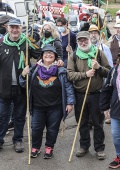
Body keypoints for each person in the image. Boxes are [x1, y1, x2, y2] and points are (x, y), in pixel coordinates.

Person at [19, 44, 76, 159]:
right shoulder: (34, 69)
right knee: (36, 128)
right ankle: (35, 147)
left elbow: (68, 88)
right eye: (46, 53)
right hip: (37, 106)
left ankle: (49, 147)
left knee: (52, 129)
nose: (48, 54)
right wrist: (23, 75)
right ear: (42, 56)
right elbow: (24, 84)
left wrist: (70, 103)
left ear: (55, 56)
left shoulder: (61, 70)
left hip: (55, 107)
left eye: (51, 53)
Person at [67, 31, 110, 160]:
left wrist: (99, 67)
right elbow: (69, 74)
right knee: (82, 122)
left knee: (98, 123)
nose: (83, 42)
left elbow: (109, 72)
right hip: (80, 94)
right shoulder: (73, 56)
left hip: (97, 95)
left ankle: (99, 148)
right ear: (77, 42)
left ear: (89, 40)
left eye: (85, 40)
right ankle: (84, 146)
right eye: (80, 41)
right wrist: (85, 74)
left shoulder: (98, 53)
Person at [0, 18, 41, 152]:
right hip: (3, 89)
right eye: (12, 27)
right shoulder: (1, 44)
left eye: (17, 27)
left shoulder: (27, 42)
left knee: (19, 116)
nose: (14, 30)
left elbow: (40, 54)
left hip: (21, 87)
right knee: (2, 116)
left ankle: (18, 140)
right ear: (7, 28)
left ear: (21, 28)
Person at [89, 24, 113, 124]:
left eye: (95, 33)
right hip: (88, 80)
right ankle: (90, 121)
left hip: (101, 80)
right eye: (91, 33)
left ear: (99, 35)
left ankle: (100, 119)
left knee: (100, 101)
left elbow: (110, 66)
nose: (93, 35)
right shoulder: (84, 47)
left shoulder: (104, 48)